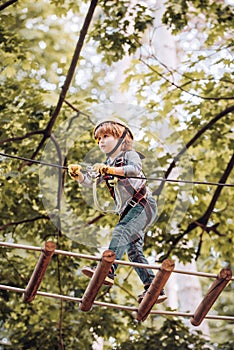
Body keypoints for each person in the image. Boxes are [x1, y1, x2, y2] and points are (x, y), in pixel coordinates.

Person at [68, 118, 167, 303]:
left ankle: (108, 269)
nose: (101, 142)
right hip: (130, 210)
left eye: (106, 136)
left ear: (121, 138)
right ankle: (155, 288)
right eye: (98, 139)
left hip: (143, 205)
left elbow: (134, 170)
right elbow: (92, 181)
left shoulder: (130, 155)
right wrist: (79, 175)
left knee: (121, 230)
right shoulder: (106, 162)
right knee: (134, 250)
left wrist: (110, 169)